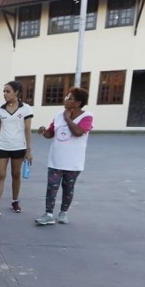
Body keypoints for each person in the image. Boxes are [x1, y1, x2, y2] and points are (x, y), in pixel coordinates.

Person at [35, 86, 94, 225]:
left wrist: (68, 119)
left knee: (68, 188)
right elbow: (51, 133)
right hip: (56, 160)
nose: (66, 99)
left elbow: (79, 132)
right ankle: (48, 214)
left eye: (70, 98)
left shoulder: (87, 116)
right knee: (52, 187)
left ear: (78, 103)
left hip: (73, 162)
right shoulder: (58, 115)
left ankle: (63, 213)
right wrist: (44, 131)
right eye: (67, 97)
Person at [0, 81, 33, 216]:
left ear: (16, 92)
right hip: (2, 146)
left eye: (8, 91)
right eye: (4, 91)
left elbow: (28, 129)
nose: (5, 94)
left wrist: (28, 150)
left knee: (16, 174)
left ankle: (15, 201)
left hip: (19, 146)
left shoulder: (26, 109)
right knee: (0, 175)